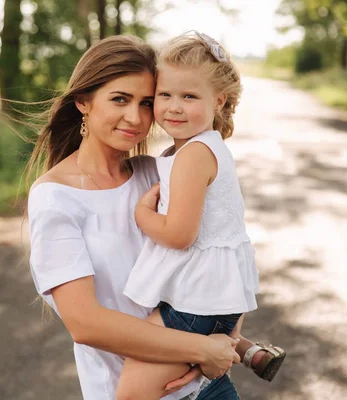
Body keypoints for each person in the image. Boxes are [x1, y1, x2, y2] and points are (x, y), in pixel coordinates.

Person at [26, 35, 282, 400]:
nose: (135, 117)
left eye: (146, 102)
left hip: (204, 385)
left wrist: (228, 339)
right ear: (83, 101)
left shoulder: (155, 173)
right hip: (129, 389)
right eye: (120, 99)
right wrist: (200, 350)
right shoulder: (55, 198)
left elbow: (216, 250)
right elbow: (85, 323)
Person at [116, 32, 285, 400]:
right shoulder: (209, 147)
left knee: (132, 394)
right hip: (216, 298)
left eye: (189, 96)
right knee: (188, 378)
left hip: (195, 300)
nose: (174, 107)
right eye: (165, 95)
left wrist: (142, 214)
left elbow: (180, 235)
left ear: (218, 101)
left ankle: (225, 366)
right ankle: (240, 348)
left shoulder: (193, 154)